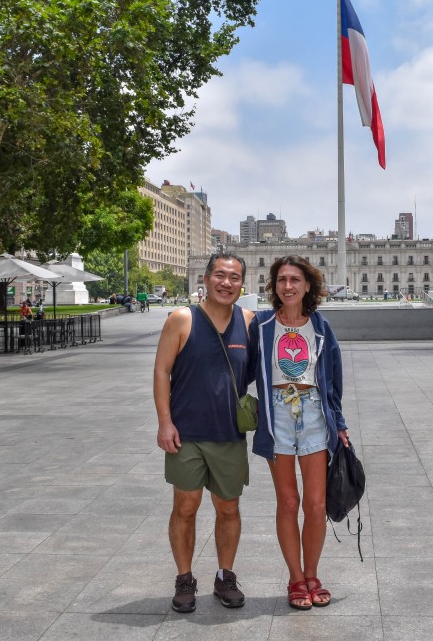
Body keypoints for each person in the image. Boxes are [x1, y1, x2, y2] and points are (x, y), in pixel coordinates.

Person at [153, 253, 255, 613]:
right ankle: (184, 578)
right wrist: (165, 422)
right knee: (185, 506)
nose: (227, 283)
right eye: (220, 275)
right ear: (207, 278)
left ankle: (225, 576)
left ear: (242, 283)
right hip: (187, 432)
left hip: (229, 434)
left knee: (228, 508)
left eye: (234, 277)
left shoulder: (249, 322)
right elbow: (162, 372)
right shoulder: (182, 319)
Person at [248, 255, 349, 611]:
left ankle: (313, 574)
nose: (288, 286)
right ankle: (295, 578)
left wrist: (340, 424)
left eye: (295, 279)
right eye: (281, 280)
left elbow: (333, 380)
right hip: (277, 415)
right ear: (274, 287)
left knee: (316, 504)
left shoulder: (321, 327)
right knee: (288, 502)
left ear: (308, 285)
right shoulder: (261, 326)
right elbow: (240, 367)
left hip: (314, 413)